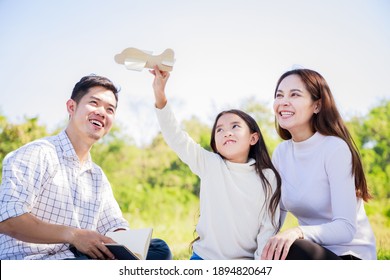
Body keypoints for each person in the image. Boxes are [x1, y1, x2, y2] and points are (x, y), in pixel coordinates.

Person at [0, 74, 172, 260]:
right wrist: (74, 235)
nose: (102, 112)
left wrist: (123, 241)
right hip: (36, 262)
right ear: (71, 107)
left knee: (158, 250)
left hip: (82, 258)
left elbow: (112, 224)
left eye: (110, 109)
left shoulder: (97, 176)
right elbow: (8, 220)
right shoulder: (36, 154)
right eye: (94, 103)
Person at [149, 66, 281, 260]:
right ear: (215, 144)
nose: (226, 132)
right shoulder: (210, 164)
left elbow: (268, 229)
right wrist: (160, 95)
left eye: (235, 126)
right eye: (219, 130)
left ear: (253, 138)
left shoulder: (268, 177)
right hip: (203, 259)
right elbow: (176, 136)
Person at [261, 68, 377, 260]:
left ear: (317, 105)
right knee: (266, 249)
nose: (283, 101)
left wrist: (297, 232)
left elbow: (346, 227)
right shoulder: (282, 153)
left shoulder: (334, 149)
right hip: (311, 252)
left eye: (295, 94)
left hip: (350, 257)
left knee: (290, 247)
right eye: (279, 95)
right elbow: (275, 215)